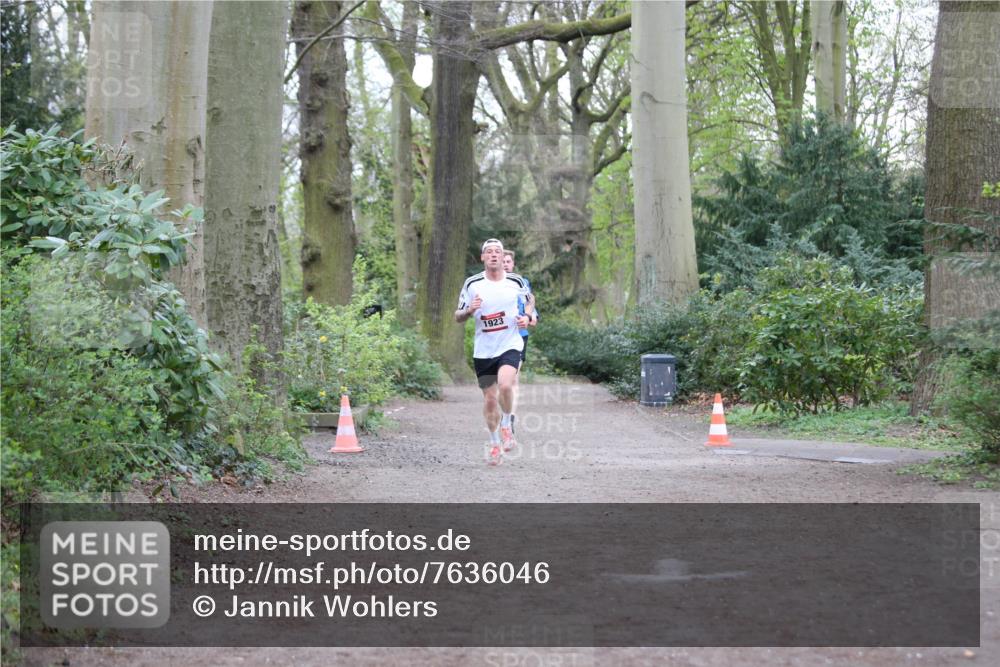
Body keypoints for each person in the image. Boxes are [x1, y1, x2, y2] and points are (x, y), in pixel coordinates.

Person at [455, 239, 533, 466]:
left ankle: (507, 423)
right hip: (484, 350)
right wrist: (470, 310)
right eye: (489, 252)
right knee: (490, 400)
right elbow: (457, 316)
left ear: (502, 257)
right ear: (482, 258)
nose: (494, 255)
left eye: (497, 252)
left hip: (510, 343)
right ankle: (494, 443)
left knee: (506, 385)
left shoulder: (516, 281)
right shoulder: (472, 284)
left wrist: (526, 317)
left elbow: (530, 301)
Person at [502, 249, 537, 435]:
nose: (506, 264)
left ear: (513, 264)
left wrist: (530, 317)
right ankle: (503, 411)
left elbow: (531, 310)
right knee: (499, 380)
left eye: (508, 261)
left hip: (519, 335)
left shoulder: (522, 283)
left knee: (513, 378)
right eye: (503, 261)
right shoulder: (489, 284)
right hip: (497, 337)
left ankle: (510, 419)